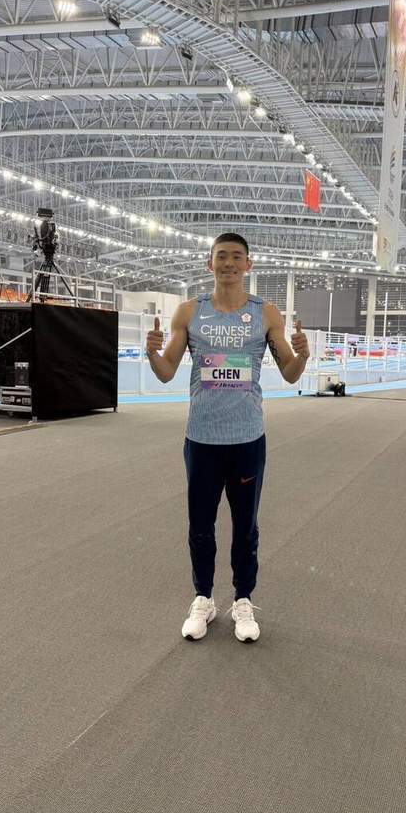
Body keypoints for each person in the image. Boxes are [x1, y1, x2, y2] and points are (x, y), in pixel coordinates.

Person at [145, 232, 310, 643]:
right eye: (222, 256)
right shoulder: (190, 312)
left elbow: (290, 373)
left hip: (247, 439)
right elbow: (166, 373)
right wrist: (151, 352)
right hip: (202, 439)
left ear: (248, 265)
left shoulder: (265, 313)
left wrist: (303, 354)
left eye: (237, 257)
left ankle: (243, 599)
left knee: (245, 527)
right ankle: (203, 598)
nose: (229, 263)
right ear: (210, 263)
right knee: (200, 524)